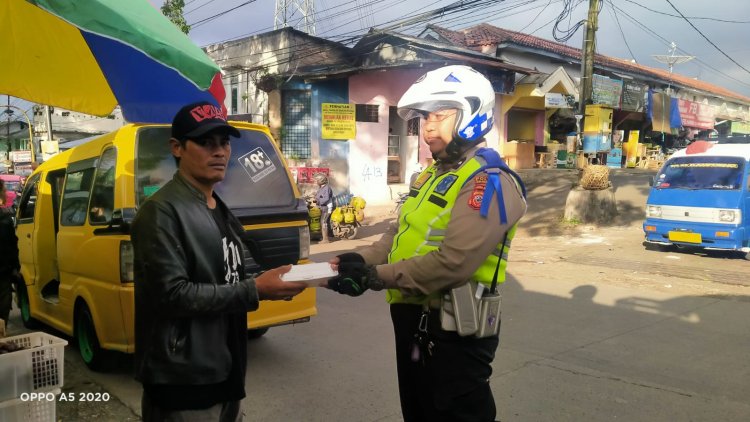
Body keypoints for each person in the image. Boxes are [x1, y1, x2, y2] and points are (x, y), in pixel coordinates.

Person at [324, 65, 527, 422]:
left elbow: (454, 262)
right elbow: (396, 236)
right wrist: (355, 259)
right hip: (412, 322)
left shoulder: (488, 182)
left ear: (471, 114)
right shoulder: (430, 176)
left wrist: (375, 277)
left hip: (454, 333)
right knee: (417, 412)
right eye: (423, 117)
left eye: (438, 115)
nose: (427, 126)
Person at [131, 101, 308, 421]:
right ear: (177, 148)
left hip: (225, 369)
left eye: (224, 142)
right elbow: (172, 296)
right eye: (205, 142)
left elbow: (223, 280)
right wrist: (255, 290)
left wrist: (273, 281)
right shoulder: (160, 212)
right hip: (184, 380)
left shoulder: (217, 206)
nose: (219, 152)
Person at [0, 179, 20, 327]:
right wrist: (15, 268)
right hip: (3, 273)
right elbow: (11, 248)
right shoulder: (4, 220)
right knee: (2, 310)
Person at [313, 172, 333, 243]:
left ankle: (325, 239)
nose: (316, 182)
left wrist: (318, 201)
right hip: (322, 207)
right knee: (321, 222)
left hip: (326, 208)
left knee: (323, 222)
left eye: (317, 180)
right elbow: (319, 196)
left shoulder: (327, 188)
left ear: (321, 180)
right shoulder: (322, 187)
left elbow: (326, 198)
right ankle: (322, 236)